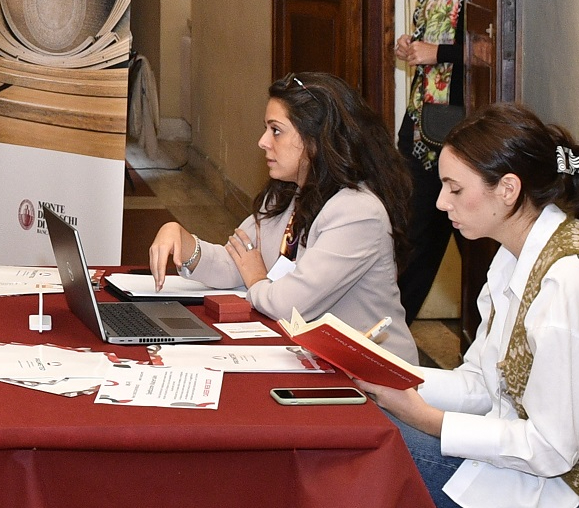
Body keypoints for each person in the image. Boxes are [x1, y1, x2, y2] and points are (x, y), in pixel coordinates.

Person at [364, 104, 579, 508]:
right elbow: (482, 384)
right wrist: (387, 375)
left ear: (508, 189)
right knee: (365, 422)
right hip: (525, 478)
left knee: (367, 448)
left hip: (573, 506)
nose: (440, 201)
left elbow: (553, 450)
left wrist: (428, 419)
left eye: (454, 188)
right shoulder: (512, 255)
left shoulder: (575, 279)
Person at [146, 71, 417, 360]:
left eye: (276, 130)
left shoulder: (358, 213)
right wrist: (185, 244)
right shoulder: (286, 193)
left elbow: (287, 305)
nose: (263, 141)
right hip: (313, 360)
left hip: (371, 376)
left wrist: (256, 279)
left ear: (316, 138)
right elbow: (237, 262)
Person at [395, 0, 472, 321]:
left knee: (478, 249)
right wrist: (413, 45)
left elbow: (491, 49)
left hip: (462, 130)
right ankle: (383, 342)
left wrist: (436, 52)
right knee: (410, 240)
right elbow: (434, 38)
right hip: (422, 125)